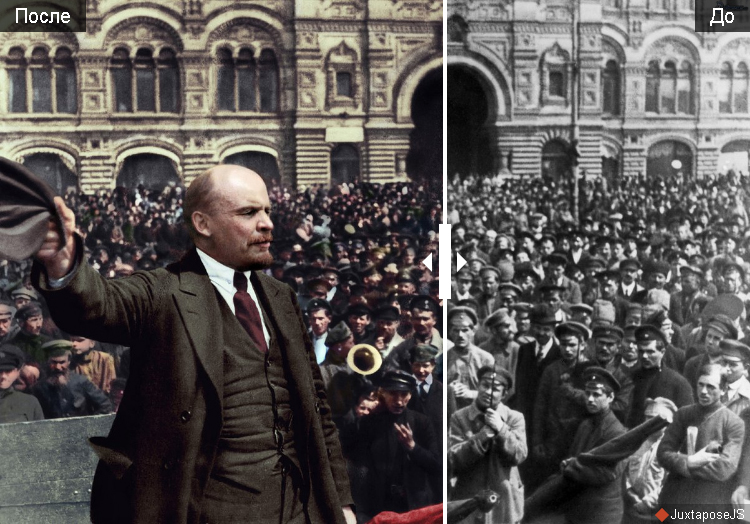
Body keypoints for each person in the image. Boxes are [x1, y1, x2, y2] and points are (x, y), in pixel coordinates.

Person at [32, 165, 356, 523]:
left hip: (300, 508)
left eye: (267, 211)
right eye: (248, 212)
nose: (267, 224)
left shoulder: (282, 297)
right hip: (209, 510)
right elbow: (98, 305)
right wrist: (64, 263)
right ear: (203, 224)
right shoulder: (162, 292)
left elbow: (318, 410)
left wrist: (341, 502)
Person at [343, 370, 440, 522]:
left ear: (411, 394)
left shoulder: (422, 422)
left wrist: (413, 447)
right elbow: (347, 451)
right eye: (393, 394)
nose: (399, 401)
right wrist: (363, 414)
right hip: (378, 507)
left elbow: (436, 465)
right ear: (382, 393)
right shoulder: (369, 423)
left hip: (414, 506)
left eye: (404, 394)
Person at [657, 363, 745, 509]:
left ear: (723, 390)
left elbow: (725, 468)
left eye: (711, 387)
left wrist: (683, 465)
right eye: (700, 385)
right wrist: (690, 461)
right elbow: (663, 453)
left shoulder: (734, 423)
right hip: (671, 497)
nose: (704, 391)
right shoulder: (683, 414)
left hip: (707, 502)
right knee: (659, 519)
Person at [449, 366, 527, 524]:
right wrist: (482, 436)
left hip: (504, 502)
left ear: (504, 394)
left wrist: (502, 429)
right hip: (469, 499)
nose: (488, 392)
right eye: (484, 385)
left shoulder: (514, 418)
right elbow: (452, 460)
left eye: (495, 389)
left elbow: (519, 455)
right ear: (478, 386)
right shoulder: (460, 417)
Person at [558, 367, 627, 524]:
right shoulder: (586, 424)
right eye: (587, 393)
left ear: (610, 397)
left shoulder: (616, 431)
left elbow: (608, 473)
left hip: (601, 512)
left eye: (596, 395)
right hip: (579, 507)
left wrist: (571, 466)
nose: (589, 399)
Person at [622, 398, 677, 524]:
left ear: (669, 422)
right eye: (647, 417)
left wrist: (647, 502)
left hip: (660, 511)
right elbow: (624, 471)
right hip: (632, 507)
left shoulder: (673, 448)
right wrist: (632, 495)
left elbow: (670, 485)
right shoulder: (635, 443)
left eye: (656, 418)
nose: (650, 422)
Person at [31, 340, 112, 419]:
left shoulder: (81, 382)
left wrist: (89, 424)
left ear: (69, 361)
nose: (58, 367)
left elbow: (105, 405)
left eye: (62, 362)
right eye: (54, 362)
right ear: (47, 362)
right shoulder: (39, 388)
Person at [0, 343, 44, 423]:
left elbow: (40, 432)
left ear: (17, 371)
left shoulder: (29, 402)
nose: (3, 376)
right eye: (0, 371)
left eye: (8, 371)